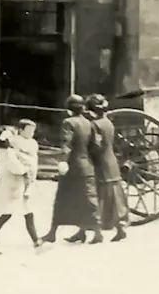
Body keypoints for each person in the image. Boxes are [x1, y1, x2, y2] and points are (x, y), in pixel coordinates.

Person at [43, 96, 102, 245]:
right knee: (87, 200)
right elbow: (95, 146)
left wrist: (63, 161)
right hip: (87, 166)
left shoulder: (68, 122)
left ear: (68, 109)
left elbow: (66, 143)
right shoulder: (89, 123)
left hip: (73, 167)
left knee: (62, 200)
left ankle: (52, 233)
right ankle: (93, 233)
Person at [0, 117, 43, 254]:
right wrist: (24, 171)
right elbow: (14, 164)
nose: (31, 133)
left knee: (27, 210)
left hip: (25, 182)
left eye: (33, 131)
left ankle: (36, 242)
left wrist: (31, 176)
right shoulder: (10, 148)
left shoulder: (31, 144)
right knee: (8, 212)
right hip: (14, 182)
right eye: (28, 130)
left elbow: (32, 161)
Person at [85, 94, 128, 243]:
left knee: (98, 199)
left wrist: (86, 150)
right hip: (112, 163)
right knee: (114, 199)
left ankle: (97, 234)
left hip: (100, 164)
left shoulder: (94, 125)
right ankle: (120, 229)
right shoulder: (108, 122)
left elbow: (96, 145)